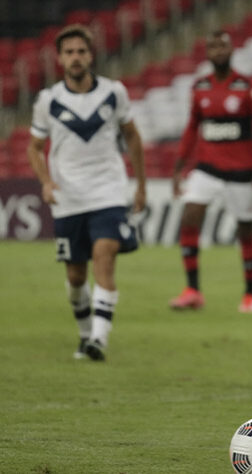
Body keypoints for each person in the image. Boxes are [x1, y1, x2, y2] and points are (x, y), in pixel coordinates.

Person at [27, 24, 147, 361]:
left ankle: (98, 339)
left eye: (81, 51)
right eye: (69, 52)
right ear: (60, 59)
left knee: (104, 258)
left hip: (108, 191)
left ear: (91, 55)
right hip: (68, 197)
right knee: (76, 275)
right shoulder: (48, 101)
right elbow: (34, 148)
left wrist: (140, 184)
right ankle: (84, 335)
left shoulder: (113, 93)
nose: (76, 57)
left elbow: (133, 137)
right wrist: (46, 182)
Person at [169, 31, 252, 314]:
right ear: (207, 52)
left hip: (241, 172)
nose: (217, 50)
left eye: (222, 46)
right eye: (212, 46)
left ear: (231, 50)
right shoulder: (199, 86)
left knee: (245, 232)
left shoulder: (248, 86)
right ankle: (192, 290)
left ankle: (250, 294)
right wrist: (179, 168)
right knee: (190, 216)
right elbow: (192, 129)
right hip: (206, 168)